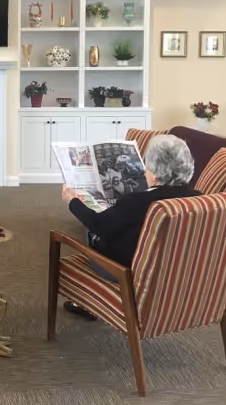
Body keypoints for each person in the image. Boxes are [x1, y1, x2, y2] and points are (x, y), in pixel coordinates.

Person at [60, 134, 200, 319]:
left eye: (147, 166)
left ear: (156, 173)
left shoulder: (138, 202)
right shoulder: (199, 198)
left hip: (130, 271)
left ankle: (90, 303)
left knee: (90, 229)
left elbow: (98, 225)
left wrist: (73, 202)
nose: (144, 171)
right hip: (178, 270)